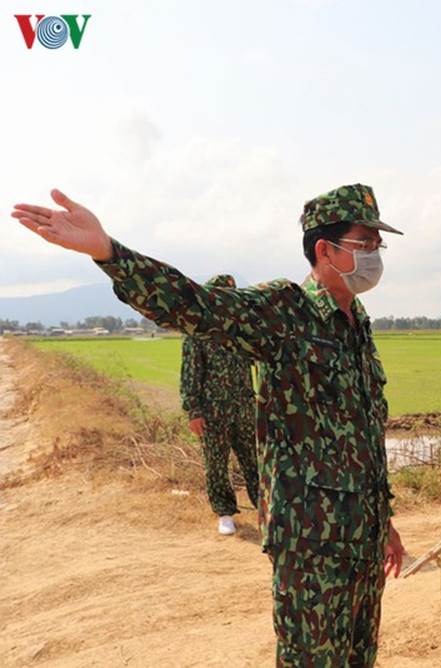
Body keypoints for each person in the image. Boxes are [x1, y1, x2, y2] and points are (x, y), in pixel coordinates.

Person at [11, 185, 407, 667]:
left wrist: (382, 521)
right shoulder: (284, 311)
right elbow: (194, 305)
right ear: (326, 249)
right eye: (365, 242)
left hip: (361, 537)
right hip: (311, 545)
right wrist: (110, 253)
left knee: (359, 656)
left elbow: (363, 437)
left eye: (377, 245)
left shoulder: (356, 323)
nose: (375, 254)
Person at [180, 273, 259, 536]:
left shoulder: (241, 331)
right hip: (213, 412)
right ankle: (225, 513)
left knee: (255, 461)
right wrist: (194, 411)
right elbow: (190, 375)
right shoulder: (197, 333)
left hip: (245, 408)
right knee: (216, 463)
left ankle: (267, 509)